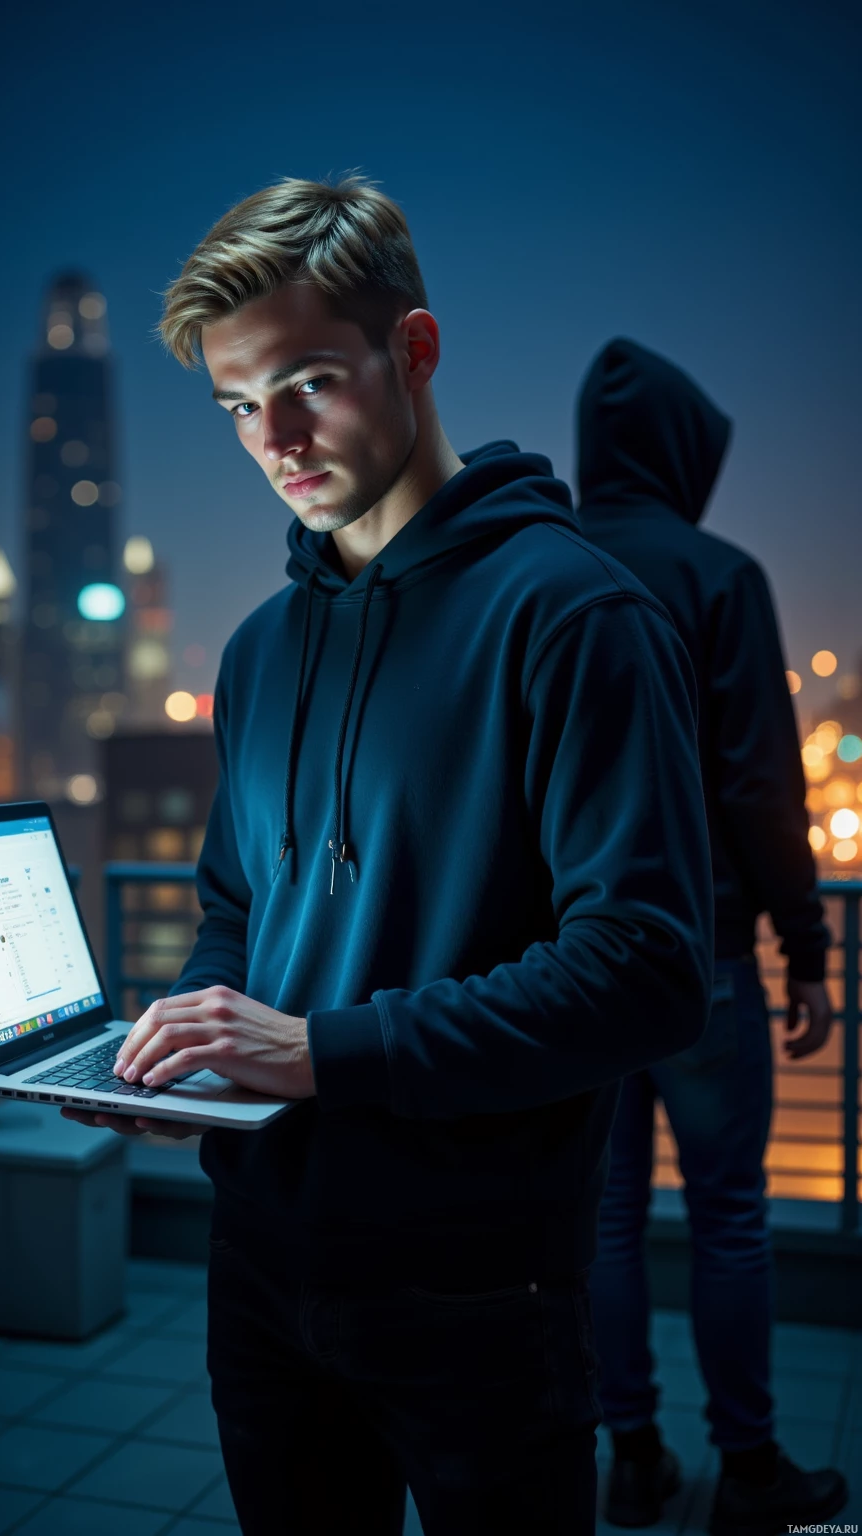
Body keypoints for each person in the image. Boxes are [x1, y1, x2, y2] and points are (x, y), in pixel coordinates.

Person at [65, 179, 713, 1536]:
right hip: (259, 1255)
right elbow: (236, 906)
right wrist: (189, 1047)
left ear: (414, 351)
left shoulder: (579, 614)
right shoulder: (255, 651)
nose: (274, 438)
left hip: (477, 1281)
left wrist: (319, 1050)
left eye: (307, 381)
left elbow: (647, 973)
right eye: (240, 405)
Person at [576, 337, 848, 1534]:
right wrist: (808, 950)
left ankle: (629, 1457)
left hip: (572, 971)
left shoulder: (544, 565)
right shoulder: (720, 575)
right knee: (730, 1218)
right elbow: (759, 788)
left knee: (603, 1220)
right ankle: (747, 1474)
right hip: (702, 955)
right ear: (683, 451)